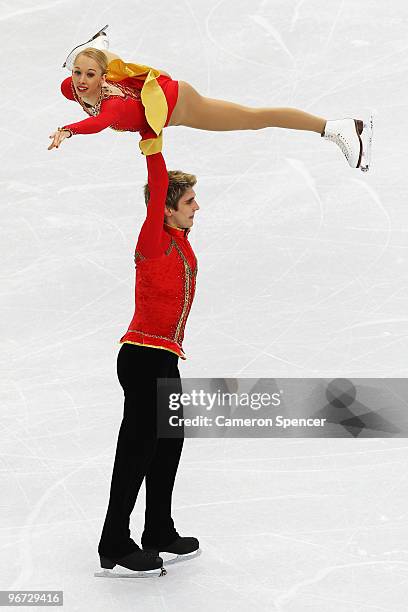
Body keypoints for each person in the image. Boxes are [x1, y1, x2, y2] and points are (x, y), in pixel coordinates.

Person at [49, 27, 373, 177]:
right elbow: (96, 77)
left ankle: (336, 128)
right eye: (78, 73)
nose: (80, 81)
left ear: (102, 78)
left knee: (253, 118)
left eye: (89, 74)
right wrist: (88, 65)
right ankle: (97, 45)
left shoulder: (112, 106)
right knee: (104, 66)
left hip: (180, 104)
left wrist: (69, 130)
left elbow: (100, 121)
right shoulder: (72, 87)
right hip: (158, 95)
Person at [96, 156, 200, 576]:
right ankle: (114, 540)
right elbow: (157, 186)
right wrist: (152, 142)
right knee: (136, 452)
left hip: (165, 359)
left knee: (169, 443)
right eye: (189, 201)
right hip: (142, 359)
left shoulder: (179, 236)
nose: (197, 207)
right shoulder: (154, 239)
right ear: (166, 208)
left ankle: (159, 529)